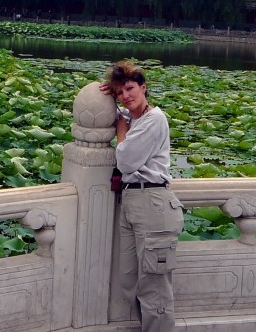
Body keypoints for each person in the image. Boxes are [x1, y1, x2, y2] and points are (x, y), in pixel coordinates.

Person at [100, 60, 184, 331]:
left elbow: (126, 162)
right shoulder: (132, 118)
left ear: (143, 87)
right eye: (119, 93)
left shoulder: (154, 119)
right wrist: (108, 98)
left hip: (153, 202)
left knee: (153, 286)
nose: (125, 96)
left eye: (130, 88)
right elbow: (120, 118)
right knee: (130, 280)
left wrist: (121, 133)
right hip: (132, 201)